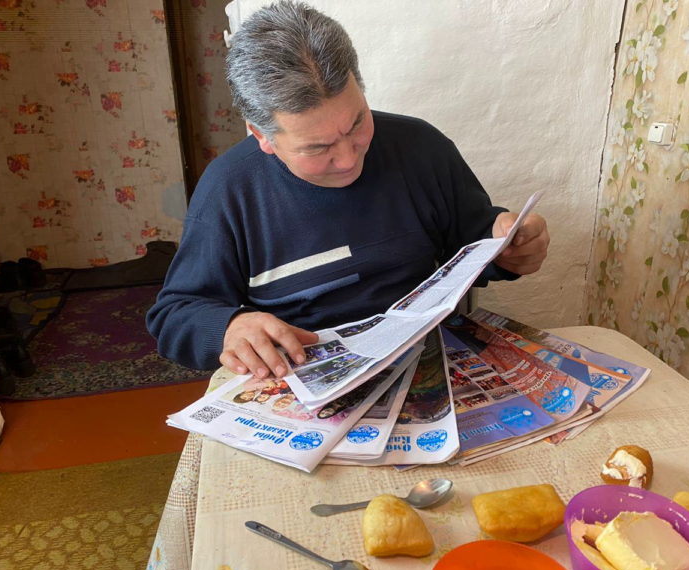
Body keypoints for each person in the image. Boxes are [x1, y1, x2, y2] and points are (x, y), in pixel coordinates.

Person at [146, 1, 550, 377]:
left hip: (424, 359)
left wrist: (509, 246)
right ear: (261, 135)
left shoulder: (421, 147)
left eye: (357, 124)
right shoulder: (229, 189)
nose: (347, 159)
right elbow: (175, 315)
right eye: (317, 148)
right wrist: (230, 327)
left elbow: (475, 240)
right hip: (302, 375)